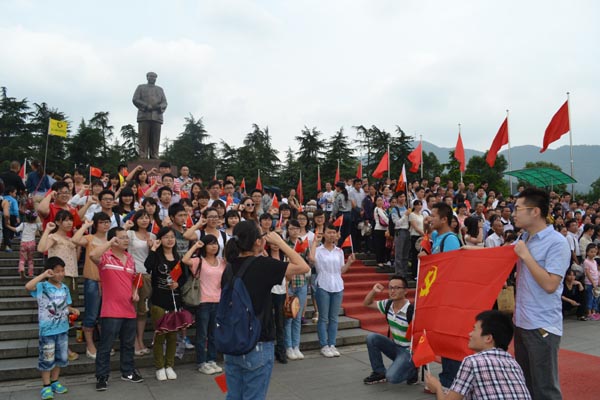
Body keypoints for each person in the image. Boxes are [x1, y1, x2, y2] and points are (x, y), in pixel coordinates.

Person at [221, 221, 309, 400]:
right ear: (257, 241)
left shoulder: (229, 267)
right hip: (258, 342)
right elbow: (303, 267)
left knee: (233, 396)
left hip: (232, 343)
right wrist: (281, 242)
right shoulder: (263, 265)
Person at [512, 188, 570, 399]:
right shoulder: (524, 238)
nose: (514, 214)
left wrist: (526, 256)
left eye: (518, 209)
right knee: (526, 385)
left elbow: (550, 284)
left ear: (535, 211)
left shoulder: (557, 242)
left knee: (545, 389)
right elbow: (498, 255)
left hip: (542, 325)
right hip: (522, 322)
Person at [425, 310, 531, 400]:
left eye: (474, 329)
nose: (470, 334)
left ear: (488, 338)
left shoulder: (472, 362)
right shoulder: (514, 364)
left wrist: (437, 387)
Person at [90, 227, 143, 391]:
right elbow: (92, 255)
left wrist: (135, 292)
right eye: (122, 237)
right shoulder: (105, 258)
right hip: (111, 310)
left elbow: (133, 280)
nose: (126, 240)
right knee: (106, 346)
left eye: (127, 237)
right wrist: (109, 243)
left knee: (128, 344)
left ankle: (127, 372)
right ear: (113, 240)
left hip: (129, 309)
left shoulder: (130, 258)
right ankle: (102, 377)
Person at [25, 257, 80, 400]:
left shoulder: (64, 288)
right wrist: (43, 275)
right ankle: (46, 386)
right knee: (47, 359)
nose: (61, 274)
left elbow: (66, 306)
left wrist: (72, 309)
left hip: (62, 329)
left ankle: (55, 382)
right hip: (47, 331)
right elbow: (28, 287)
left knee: (60, 358)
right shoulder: (42, 286)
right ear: (49, 271)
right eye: (57, 271)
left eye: (62, 270)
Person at [425, 202, 462, 388]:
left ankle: (452, 381)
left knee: (450, 340)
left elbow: (449, 268)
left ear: (444, 219)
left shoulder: (451, 240)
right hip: (438, 294)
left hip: (449, 296)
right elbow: (427, 235)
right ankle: (447, 378)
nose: (429, 218)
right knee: (443, 338)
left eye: (433, 216)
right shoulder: (436, 236)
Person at [145, 227, 188, 381]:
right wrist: (153, 248)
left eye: (172, 237)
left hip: (174, 301)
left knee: (172, 336)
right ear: (160, 239)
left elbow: (184, 277)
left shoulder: (178, 257)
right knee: (160, 335)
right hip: (159, 300)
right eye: (166, 237)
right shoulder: (156, 256)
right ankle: (159, 367)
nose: (170, 240)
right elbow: (148, 266)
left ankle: (169, 365)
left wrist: (178, 284)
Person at [181, 234, 226, 375]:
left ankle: (211, 360)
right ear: (205, 246)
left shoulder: (222, 262)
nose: (214, 246)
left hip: (218, 301)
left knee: (213, 334)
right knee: (202, 334)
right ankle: (201, 362)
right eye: (210, 244)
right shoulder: (198, 261)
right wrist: (195, 245)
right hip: (203, 302)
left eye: (215, 243)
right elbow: (184, 259)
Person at [309, 224, 355, 358]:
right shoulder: (318, 250)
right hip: (323, 284)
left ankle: (332, 344)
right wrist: (315, 243)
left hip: (338, 285)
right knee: (323, 317)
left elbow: (341, 270)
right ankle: (324, 345)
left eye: (333, 233)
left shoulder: (339, 251)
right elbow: (311, 259)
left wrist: (349, 263)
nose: (331, 235)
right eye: (329, 233)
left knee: (334, 318)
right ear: (324, 234)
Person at [362, 275, 418, 385]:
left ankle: (412, 370)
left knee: (392, 378)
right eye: (391, 287)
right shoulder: (388, 304)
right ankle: (379, 372)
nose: (393, 291)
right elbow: (367, 303)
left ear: (405, 291)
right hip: (395, 346)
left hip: (408, 351)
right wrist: (374, 291)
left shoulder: (411, 311)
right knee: (372, 338)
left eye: (397, 288)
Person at [71, 213, 110, 359]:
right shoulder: (90, 238)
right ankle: (90, 345)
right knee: (92, 314)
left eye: (107, 222)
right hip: (92, 280)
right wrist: (85, 226)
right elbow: (75, 240)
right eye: (102, 222)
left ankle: (104, 345)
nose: (105, 225)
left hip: (108, 282)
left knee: (104, 315)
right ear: (96, 224)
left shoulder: (110, 240)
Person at [123, 210, 155, 355]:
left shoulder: (152, 236)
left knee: (142, 310)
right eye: (141, 218)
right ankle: (134, 341)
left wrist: (152, 247)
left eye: (146, 218)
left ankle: (141, 340)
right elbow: (118, 240)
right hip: (133, 273)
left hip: (147, 275)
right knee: (133, 309)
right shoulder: (130, 234)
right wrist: (125, 227)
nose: (144, 220)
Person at [132, 71, 168, 159]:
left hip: (157, 116)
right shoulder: (141, 87)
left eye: (154, 77)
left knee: (155, 138)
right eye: (150, 76)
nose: (152, 78)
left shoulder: (160, 89)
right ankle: (143, 154)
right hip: (144, 115)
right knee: (143, 137)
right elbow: (135, 99)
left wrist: (159, 107)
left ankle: (154, 154)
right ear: (147, 77)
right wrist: (145, 105)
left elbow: (165, 102)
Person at [6, 209, 41, 278]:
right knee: (30, 259)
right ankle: (30, 273)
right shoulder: (37, 225)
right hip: (32, 244)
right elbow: (43, 225)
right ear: (35, 218)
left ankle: (22, 269)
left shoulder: (23, 224)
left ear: (26, 217)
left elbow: (16, 230)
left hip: (24, 243)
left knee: (22, 258)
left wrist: (8, 226)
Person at [583, 243, 599, 319]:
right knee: (590, 297)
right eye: (591, 252)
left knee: (596, 297)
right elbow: (588, 273)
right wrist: (593, 282)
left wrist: (597, 281)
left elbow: (596, 272)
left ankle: (594, 311)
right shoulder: (586, 261)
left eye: (595, 252)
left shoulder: (595, 261)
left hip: (595, 282)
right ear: (587, 252)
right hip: (589, 283)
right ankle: (589, 313)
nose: (593, 254)